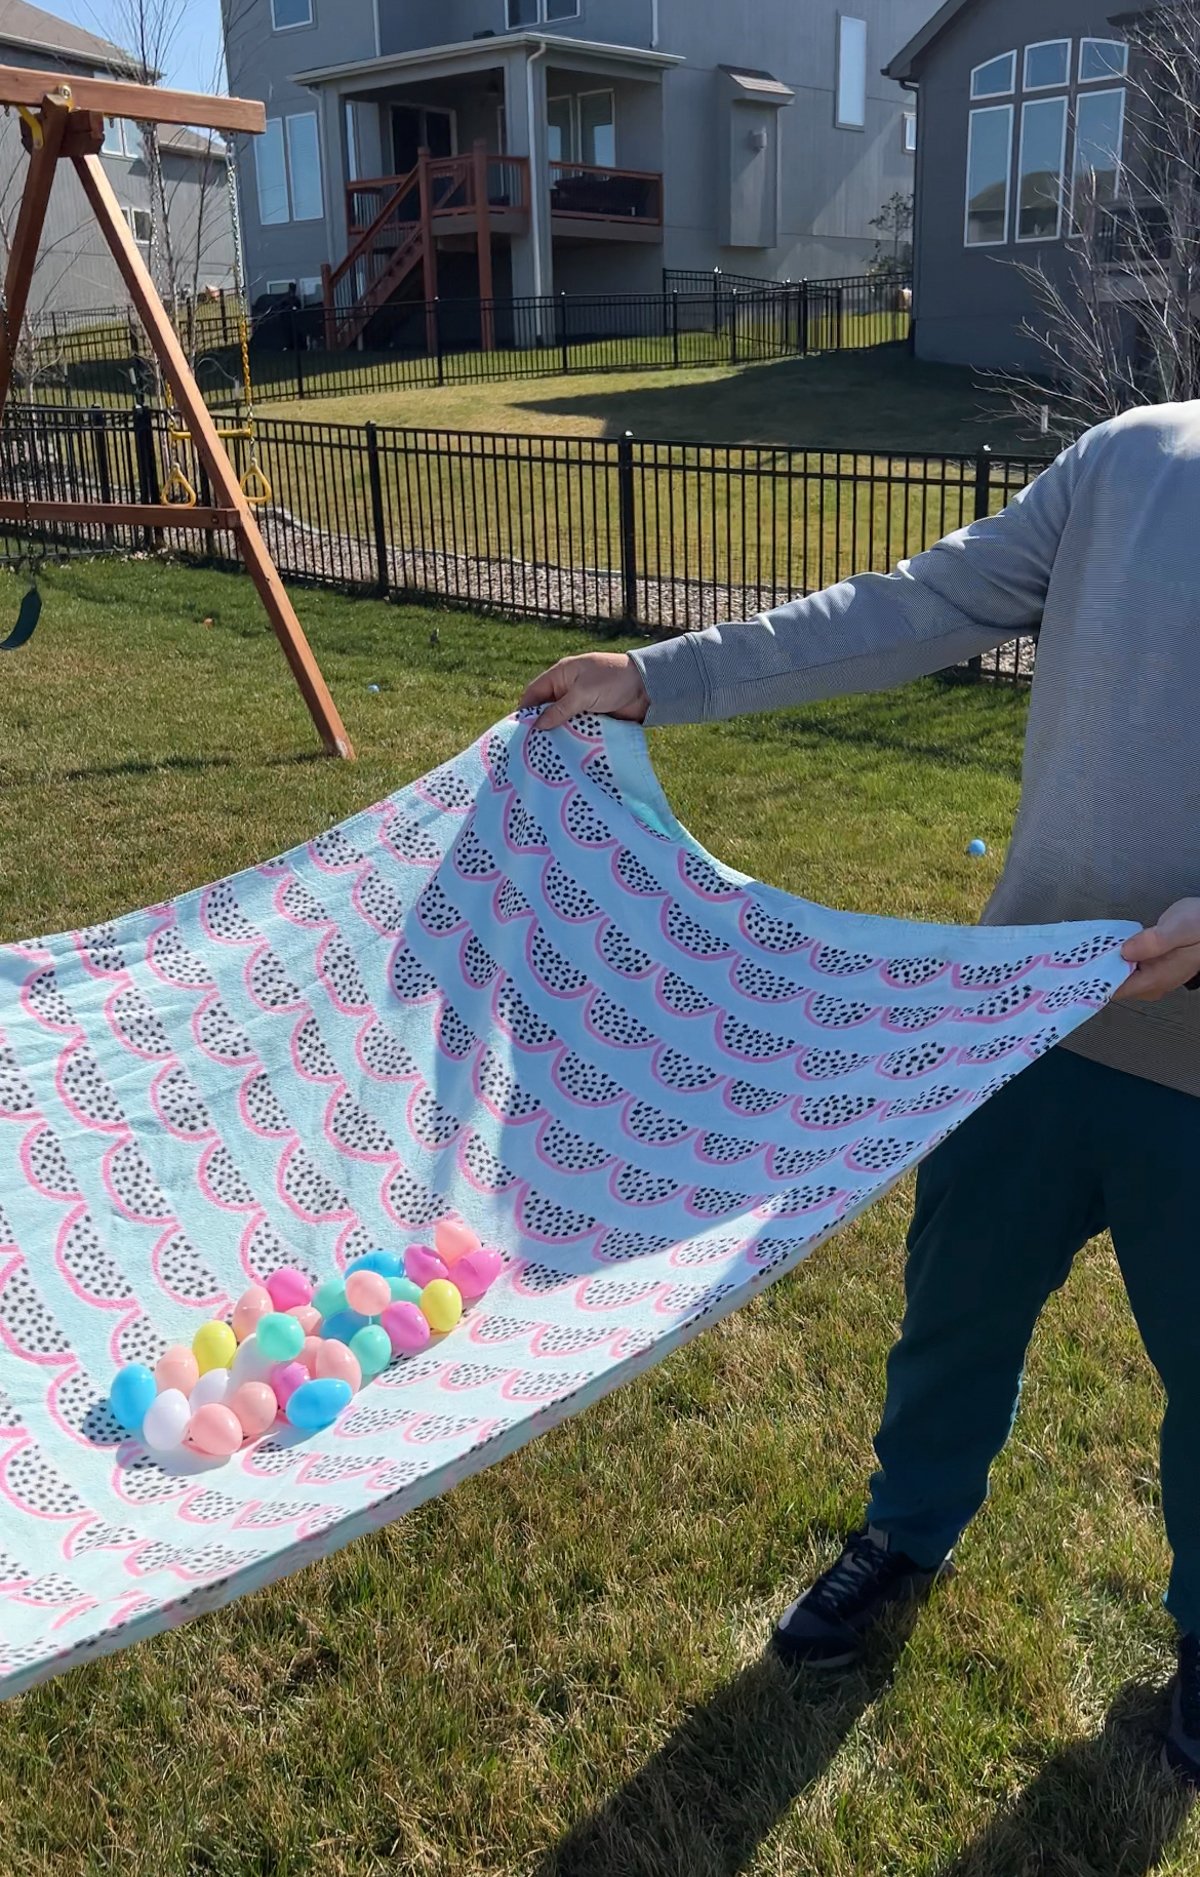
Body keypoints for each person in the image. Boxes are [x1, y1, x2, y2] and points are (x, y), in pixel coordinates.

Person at [519, 403, 1200, 1781]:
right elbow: (921, 601)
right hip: (1025, 1023)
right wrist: (661, 675)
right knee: (953, 1306)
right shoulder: (1139, 458)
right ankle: (905, 1531)